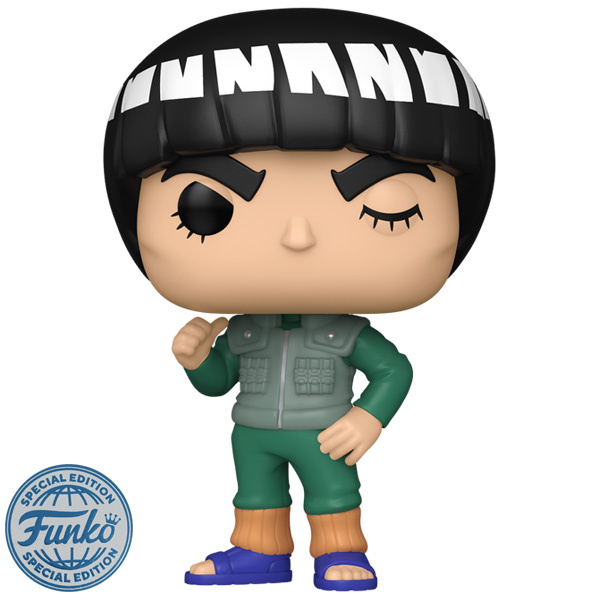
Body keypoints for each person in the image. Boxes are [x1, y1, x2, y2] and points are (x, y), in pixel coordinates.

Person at [104, 8, 494, 591]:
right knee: (254, 493)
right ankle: (258, 551)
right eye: (205, 210)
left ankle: (341, 552)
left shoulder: (347, 332)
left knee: (333, 493)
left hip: (325, 431)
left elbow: (395, 370)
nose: (297, 237)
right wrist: (197, 360)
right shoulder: (242, 328)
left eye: (387, 208)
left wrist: (367, 417)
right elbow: (218, 384)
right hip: (252, 429)